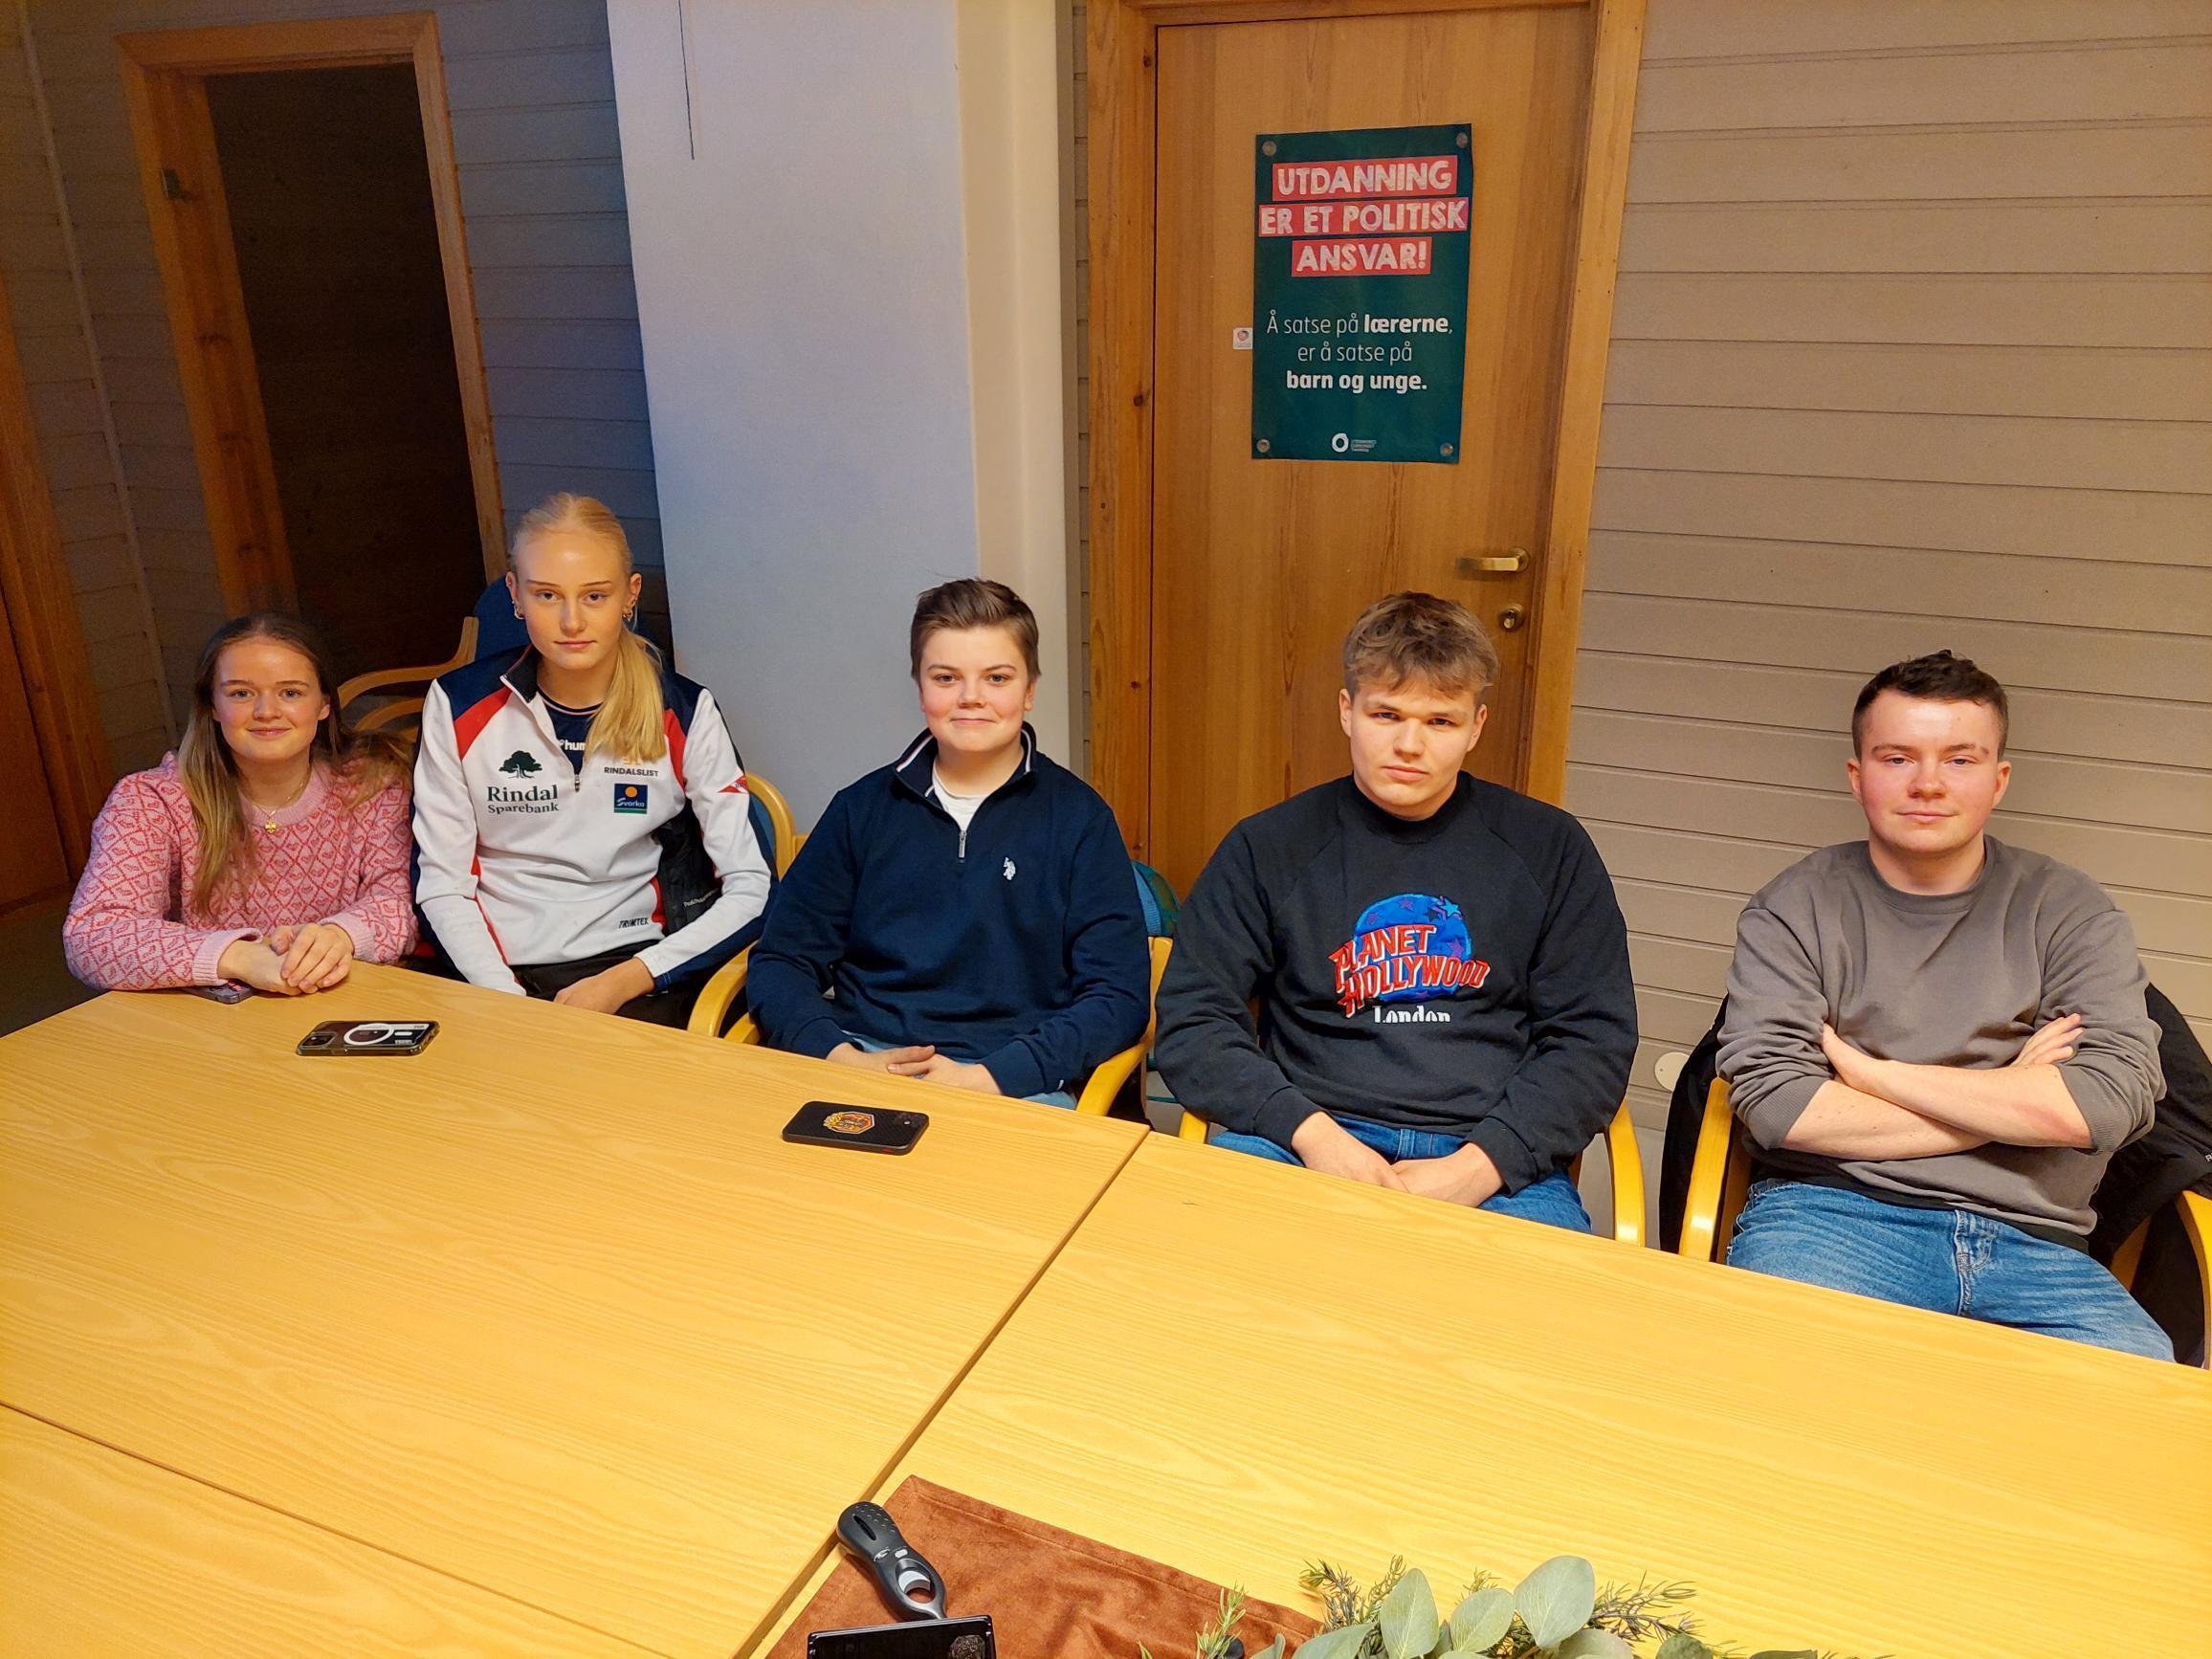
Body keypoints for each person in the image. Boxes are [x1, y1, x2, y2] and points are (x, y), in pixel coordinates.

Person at [1719, 651, 2170, 1360]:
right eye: (1898, 758)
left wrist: (1873, 1076)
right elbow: (1781, 1106)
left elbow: (2107, 1106)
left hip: (2038, 1247)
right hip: (1834, 1218)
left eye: (1960, 760)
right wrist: (2013, 1096)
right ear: (1857, 776)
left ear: (1999, 780)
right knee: (1776, 1369)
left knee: (2141, 1402)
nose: (1927, 783)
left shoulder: (2069, 910)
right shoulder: (1795, 907)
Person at [1153, 591, 1635, 1228]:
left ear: (1476, 727)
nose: (1410, 744)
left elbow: (1594, 1040)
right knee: (1194, 1265)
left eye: (1440, 722)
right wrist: (1311, 1134)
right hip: (1301, 1139)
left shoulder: (1550, 849)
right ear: (1347, 711)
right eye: (1387, 714)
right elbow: (1194, 1019)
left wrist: (1480, 1166)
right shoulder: (1267, 847)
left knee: (1542, 1295)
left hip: (1487, 1158)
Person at [747, 578, 1148, 1104]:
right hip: (864, 1060)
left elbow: (1119, 996)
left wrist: (995, 1075)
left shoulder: (1080, 820)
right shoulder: (860, 809)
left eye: (997, 678)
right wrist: (840, 1057)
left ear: (1029, 691)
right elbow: (781, 961)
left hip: (1014, 1080)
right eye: (946, 677)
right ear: (921, 688)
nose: (971, 697)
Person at [410, 493, 770, 1024]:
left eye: (595, 596)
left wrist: (630, 978)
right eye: (547, 595)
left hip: (635, 973)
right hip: (491, 973)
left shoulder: (685, 710)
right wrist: (503, 998)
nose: (572, 621)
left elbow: (752, 886)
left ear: (630, 594)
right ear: (515, 594)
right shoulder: (457, 702)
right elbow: (442, 883)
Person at [64, 613, 414, 993]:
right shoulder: (149, 800)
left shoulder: (372, 785)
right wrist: (240, 957)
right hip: (209, 1014)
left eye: (291, 693)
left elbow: (402, 902)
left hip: (339, 999)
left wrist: (341, 936)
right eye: (241, 694)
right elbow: (92, 935)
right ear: (213, 706)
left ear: (324, 704)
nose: (266, 712)